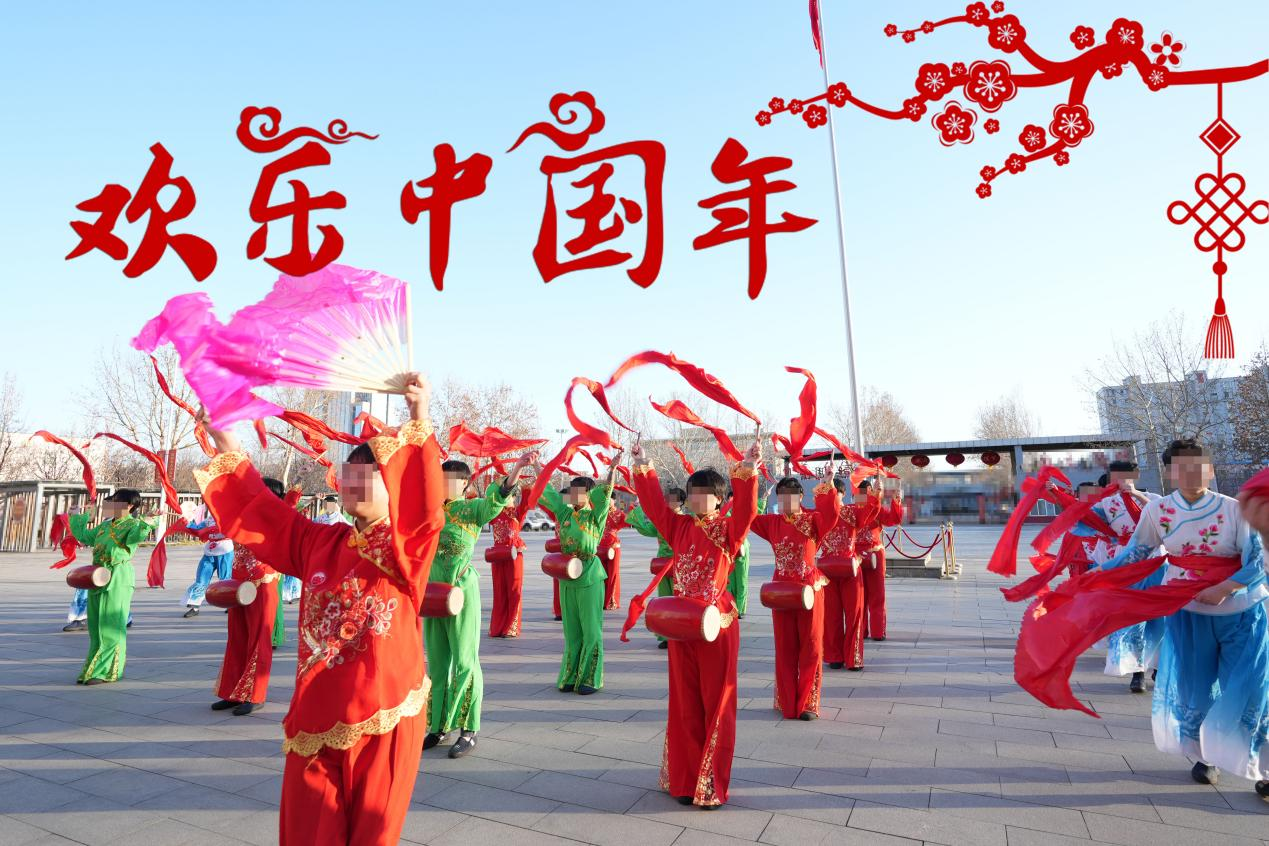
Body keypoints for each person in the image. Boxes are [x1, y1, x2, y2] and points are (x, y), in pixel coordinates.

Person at [197, 373, 444, 846]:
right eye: (348, 475)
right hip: (314, 715)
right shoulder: (319, 541)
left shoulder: (404, 551)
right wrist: (225, 437)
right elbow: (262, 512)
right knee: (309, 833)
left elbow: (424, 509)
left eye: (368, 475)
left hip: (385, 714)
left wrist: (419, 413)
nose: (353, 484)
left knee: (371, 837)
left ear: (394, 484)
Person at [1098, 439, 1266, 796]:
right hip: (1187, 612)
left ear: (1211, 469)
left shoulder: (1234, 509)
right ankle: (1206, 756)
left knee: (1251, 689)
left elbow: (1258, 560)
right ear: (1170, 473)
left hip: (1242, 612)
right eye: (1182, 467)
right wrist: (1094, 579)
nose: (1192, 473)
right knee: (1195, 687)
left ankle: (1264, 767)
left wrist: (1226, 587)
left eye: (1199, 466)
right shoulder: (1158, 511)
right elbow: (1136, 553)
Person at [625, 438, 761, 809]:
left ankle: (710, 782)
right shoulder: (679, 527)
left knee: (716, 702)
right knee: (684, 701)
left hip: (716, 625)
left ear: (719, 498)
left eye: (706, 494)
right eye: (693, 493)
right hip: (682, 625)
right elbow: (653, 506)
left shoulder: (729, 531)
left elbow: (748, 510)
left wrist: (748, 469)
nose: (698, 499)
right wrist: (643, 465)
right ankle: (684, 780)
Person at [422, 453, 531, 759]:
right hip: (432, 594)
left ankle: (469, 729)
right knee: (437, 662)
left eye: (450, 481)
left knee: (465, 661)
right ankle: (438, 726)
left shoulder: (472, 509)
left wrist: (517, 469)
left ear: (465, 484)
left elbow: (495, 501)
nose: (443, 485)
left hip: (460, 592)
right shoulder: (430, 511)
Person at [751, 472, 840, 720]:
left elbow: (832, 515)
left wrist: (828, 484)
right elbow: (749, 518)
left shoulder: (813, 520)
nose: (786, 501)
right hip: (781, 593)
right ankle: (787, 700)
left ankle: (809, 703)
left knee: (811, 646)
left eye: (791, 496)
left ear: (800, 497)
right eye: (782, 497)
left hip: (809, 590)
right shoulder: (772, 523)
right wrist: (749, 477)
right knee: (785, 647)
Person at [538, 458, 621, 695]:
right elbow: (548, 492)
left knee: (591, 629)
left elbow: (606, 493)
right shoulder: (564, 513)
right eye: (572, 491)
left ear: (588, 495)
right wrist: (536, 467)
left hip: (589, 576)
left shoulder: (595, 516)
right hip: (567, 575)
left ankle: (590, 678)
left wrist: (612, 470)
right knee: (571, 630)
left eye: (579, 491)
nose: (573, 495)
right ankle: (570, 675)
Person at [212, 476, 286, 716]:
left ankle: (255, 694)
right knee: (237, 638)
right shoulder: (242, 516)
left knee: (258, 640)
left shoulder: (279, 519)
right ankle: (233, 692)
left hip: (263, 583)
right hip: (239, 584)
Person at [68, 490, 157, 684]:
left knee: (111, 625)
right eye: (111, 501)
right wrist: (75, 516)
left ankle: (108, 671)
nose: (111, 505)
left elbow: (137, 536)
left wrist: (148, 522)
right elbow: (84, 537)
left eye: (116, 502)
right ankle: (93, 668)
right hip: (98, 576)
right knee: (96, 626)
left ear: (129, 506)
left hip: (118, 577)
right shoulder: (105, 525)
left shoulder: (133, 524)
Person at [1092, 461, 1163, 693]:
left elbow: (1165, 517)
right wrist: (1055, 495)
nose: (1120, 480)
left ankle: (1159, 667)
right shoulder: (1105, 504)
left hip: (1155, 561)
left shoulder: (1152, 498)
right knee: (1132, 618)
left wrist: (1135, 495)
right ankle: (1137, 671)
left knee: (1160, 617)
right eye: (1116, 476)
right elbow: (1082, 519)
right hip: (1126, 563)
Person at [627, 486, 686, 649]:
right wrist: (638, 510)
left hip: (680, 564)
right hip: (662, 564)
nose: (667, 502)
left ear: (680, 502)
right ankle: (666, 635)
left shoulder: (685, 520)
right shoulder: (662, 519)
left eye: (671, 499)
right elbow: (647, 529)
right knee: (664, 599)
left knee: (679, 600)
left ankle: (679, 633)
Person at [820, 476, 867, 671]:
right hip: (828, 572)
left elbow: (869, 510)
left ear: (843, 494)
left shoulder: (852, 512)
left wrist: (873, 492)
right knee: (831, 617)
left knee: (854, 615)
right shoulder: (819, 515)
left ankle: (853, 658)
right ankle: (834, 656)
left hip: (850, 570)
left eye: (836, 492)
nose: (833, 496)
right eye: (829, 492)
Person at [487, 482, 538, 638]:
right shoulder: (493, 512)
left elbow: (526, 503)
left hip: (514, 555)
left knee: (514, 591)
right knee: (499, 591)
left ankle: (511, 628)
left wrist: (526, 488)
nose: (505, 498)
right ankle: (497, 627)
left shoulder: (517, 513)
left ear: (514, 498)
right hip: (498, 556)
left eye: (508, 496)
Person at [855, 479, 903, 641]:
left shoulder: (875, 509)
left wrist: (896, 500)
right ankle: (867, 631)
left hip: (872, 554)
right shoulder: (854, 510)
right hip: (859, 557)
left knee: (873, 594)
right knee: (862, 595)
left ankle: (873, 631)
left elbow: (893, 519)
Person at [181, 501, 234, 617]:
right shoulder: (209, 519)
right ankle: (194, 606)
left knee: (225, 579)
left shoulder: (229, 518)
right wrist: (187, 521)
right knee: (201, 578)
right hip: (210, 551)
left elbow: (233, 530)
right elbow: (197, 529)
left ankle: (229, 604)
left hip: (225, 550)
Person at [600, 503, 629, 611]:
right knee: (601, 575)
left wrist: (631, 509)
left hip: (613, 547)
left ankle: (611, 601)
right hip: (600, 548)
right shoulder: (598, 511)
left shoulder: (617, 514)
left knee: (613, 574)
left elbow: (628, 521)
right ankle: (601, 600)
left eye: (610, 499)